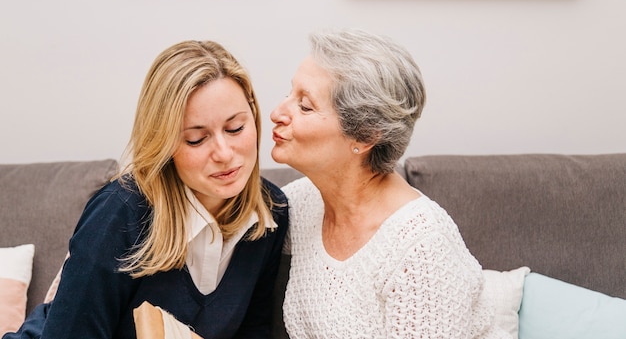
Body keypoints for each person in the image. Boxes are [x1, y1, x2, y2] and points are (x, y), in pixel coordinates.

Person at [4, 40, 288, 339]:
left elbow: (254, 330)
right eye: (195, 139)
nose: (224, 153)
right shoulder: (120, 212)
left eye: (235, 129)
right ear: (164, 144)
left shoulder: (271, 212)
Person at [270, 29, 509, 338]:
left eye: (305, 106)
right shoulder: (302, 203)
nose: (277, 113)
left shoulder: (421, 247)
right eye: (289, 94)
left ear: (366, 135)